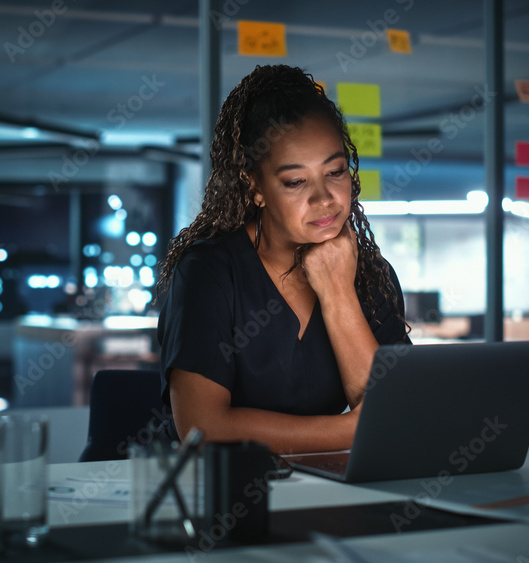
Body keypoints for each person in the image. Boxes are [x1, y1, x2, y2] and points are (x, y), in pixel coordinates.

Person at [155, 65, 411, 454]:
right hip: (213, 494)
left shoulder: (372, 274)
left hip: (319, 488)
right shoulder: (209, 272)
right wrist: (350, 431)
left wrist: (339, 292)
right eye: (295, 182)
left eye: (336, 172)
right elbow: (201, 426)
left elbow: (399, 408)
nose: (324, 198)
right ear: (255, 186)